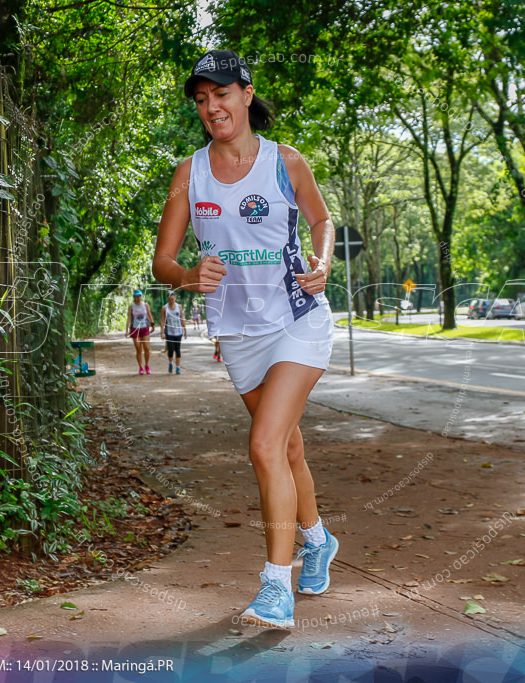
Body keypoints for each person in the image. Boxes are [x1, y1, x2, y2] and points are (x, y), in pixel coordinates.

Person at [152, 49, 338, 629]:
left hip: (297, 319)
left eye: (222, 94)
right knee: (285, 448)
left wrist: (324, 262)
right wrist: (187, 275)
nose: (213, 107)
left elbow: (322, 221)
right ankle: (318, 539)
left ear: (247, 94)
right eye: (202, 100)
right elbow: (162, 261)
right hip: (236, 330)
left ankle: (274, 588)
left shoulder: (285, 161)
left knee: (263, 446)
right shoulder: (191, 172)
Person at [125, 289, 154, 374]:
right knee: (138, 349)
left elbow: (149, 315)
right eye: (136, 296)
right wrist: (127, 330)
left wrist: (152, 324)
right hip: (135, 329)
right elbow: (129, 319)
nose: (138, 298)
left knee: (147, 348)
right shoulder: (131, 306)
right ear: (134, 297)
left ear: (141, 296)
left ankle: (147, 365)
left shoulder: (145, 305)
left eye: (139, 296)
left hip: (144, 328)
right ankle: (140, 367)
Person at [160, 291, 187, 374]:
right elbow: (162, 321)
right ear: (167, 299)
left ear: (175, 298)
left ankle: (178, 367)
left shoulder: (179, 307)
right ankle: (171, 363)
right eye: (169, 299)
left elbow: (182, 318)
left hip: (178, 332)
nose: (171, 301)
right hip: (169, 332)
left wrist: (185, 330)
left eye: (172, 299)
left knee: (178, 349)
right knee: (171, 350)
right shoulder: (164, 308)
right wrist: (162, 333)